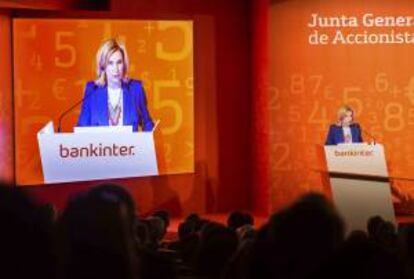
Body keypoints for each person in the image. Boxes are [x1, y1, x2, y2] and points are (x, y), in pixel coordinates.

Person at [77, 38, 154, 131]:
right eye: (110, 63)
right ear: (103, 66)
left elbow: (147, 124)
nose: (116, 69)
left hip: (129, 145)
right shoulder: (92, 90)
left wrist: (149, 140)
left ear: (124, 64)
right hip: (102, 145)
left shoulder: (136, 89)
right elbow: (81, 129)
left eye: (119, 62)